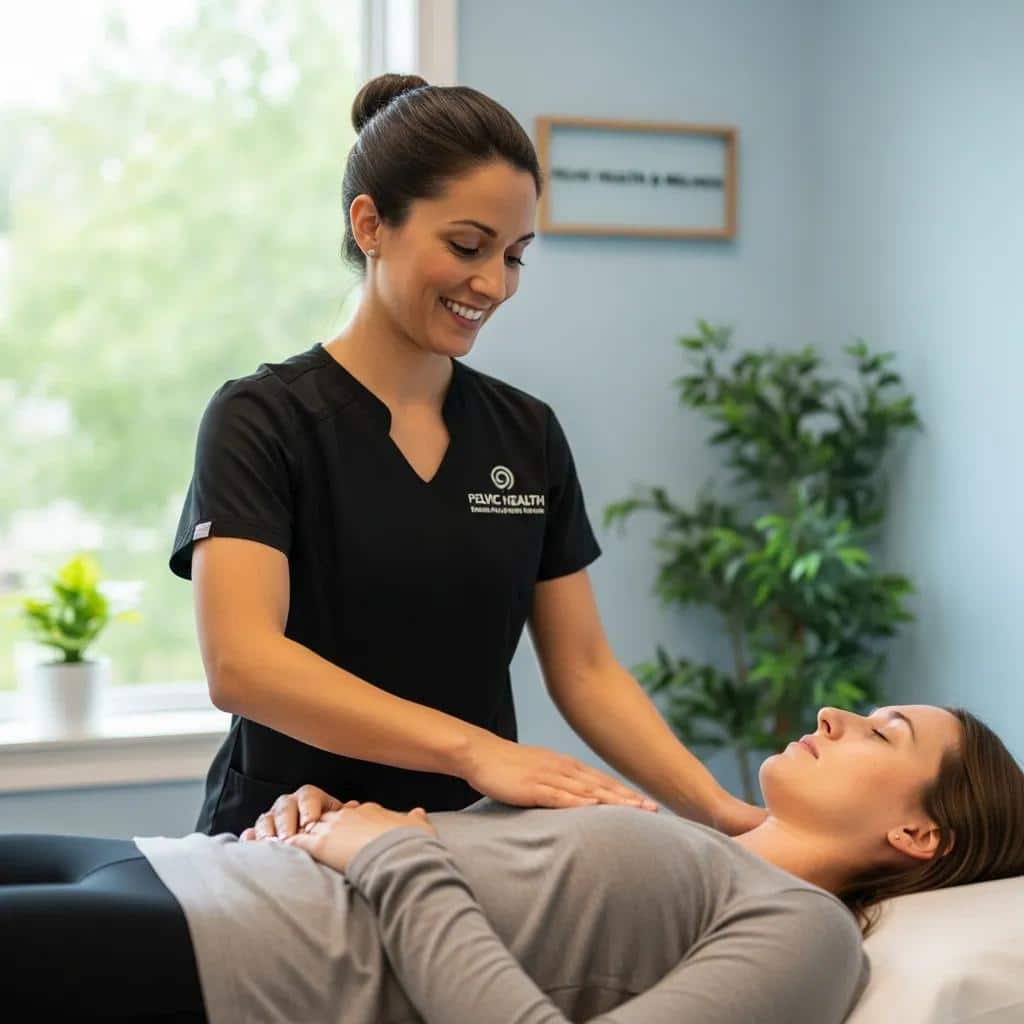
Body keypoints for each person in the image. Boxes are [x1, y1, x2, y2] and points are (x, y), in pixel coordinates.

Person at [169, 71, 764, 838]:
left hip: (471, 846)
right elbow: (243, 664)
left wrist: (722, 812)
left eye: (515, 255)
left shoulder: (526, 434)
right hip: (286, 838)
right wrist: (477, 752)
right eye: (467, 245)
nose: (493, 283)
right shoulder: (263, 420)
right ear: (370, 224)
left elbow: (584, 671)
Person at [3, 704, 1023, 1021]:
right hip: (192, 865)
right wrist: (322, 817)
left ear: (918, 835)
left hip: (233, 954)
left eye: (879, 732)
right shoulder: (677, 834)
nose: (833, 713)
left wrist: (395, 853)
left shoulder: (806, 934)